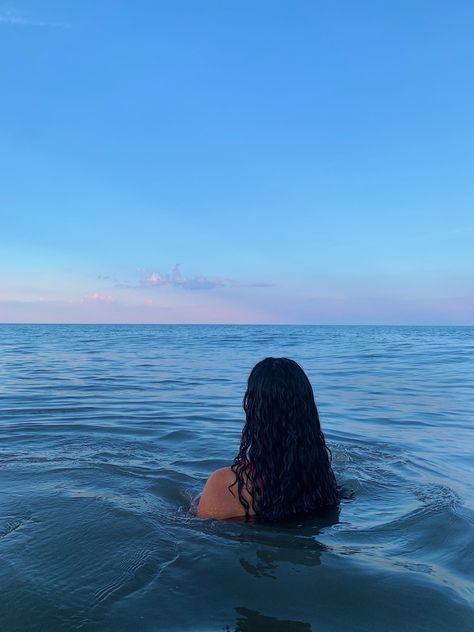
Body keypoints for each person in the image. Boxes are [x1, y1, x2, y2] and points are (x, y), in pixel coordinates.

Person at [197, 357, 340, 521]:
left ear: (254, 411)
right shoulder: (322, 481)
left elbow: (200, 534)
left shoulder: (225, 485)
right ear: (309, 413)